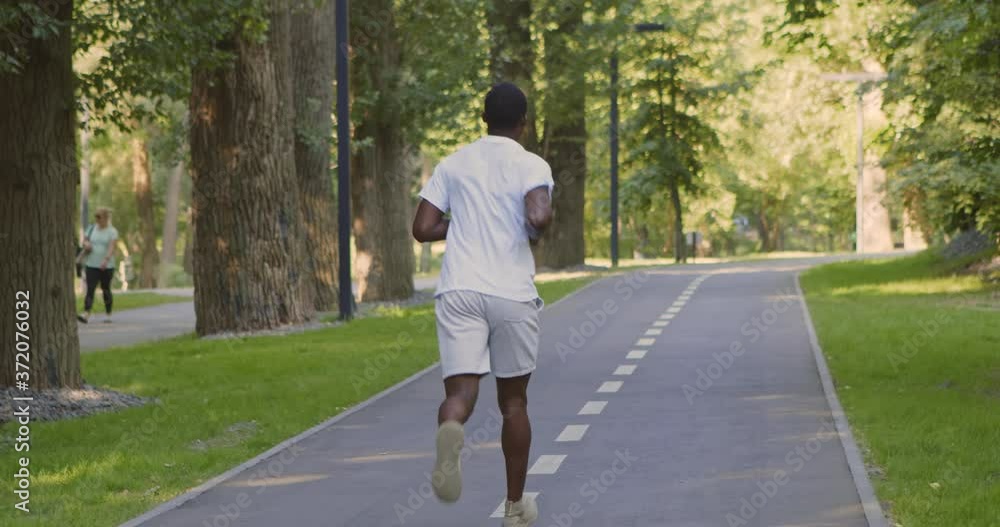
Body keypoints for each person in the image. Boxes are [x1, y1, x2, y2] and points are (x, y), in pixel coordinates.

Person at [412, 82, 554, 527]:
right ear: (524, 123)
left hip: (459, 291)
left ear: (483, 119)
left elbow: (423, 227)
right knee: (514, 403)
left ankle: (451, 428)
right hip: (511, 293)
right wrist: (532, 226)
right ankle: (515, 507)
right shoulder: (531, 164)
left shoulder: (454, 164)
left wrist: (463, 225)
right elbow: (538, 215)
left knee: (460, 393)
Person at [77, 207, 119, 324]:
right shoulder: (91, 228)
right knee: (90, 289)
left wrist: (106, 260)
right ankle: (86, 313)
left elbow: (112, 247)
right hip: (91, 264)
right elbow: (84, 240)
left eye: (99, 217)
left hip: (107, 266)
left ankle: (108, 313)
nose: (97, 220)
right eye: (96, 217)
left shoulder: (112, 231)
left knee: (106, 289)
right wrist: (86, 244)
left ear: (106, 218)